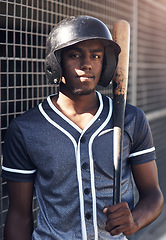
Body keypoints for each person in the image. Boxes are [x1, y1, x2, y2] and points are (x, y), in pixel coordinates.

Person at [2, 15, 164, 240]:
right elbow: (19, 216)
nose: (86, 63)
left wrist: (135, 221)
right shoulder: (25, 129)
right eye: (74, 55)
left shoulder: (131, 118)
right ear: (56, 61)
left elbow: (153, 194)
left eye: (96, 56)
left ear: (104, 63)